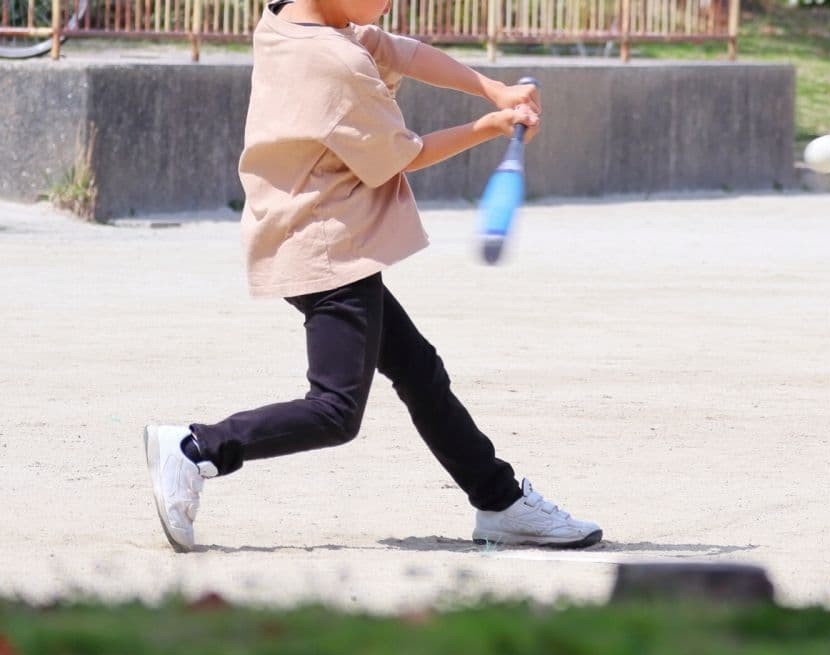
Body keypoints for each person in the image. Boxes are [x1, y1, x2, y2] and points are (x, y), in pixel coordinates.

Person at [142, 0, 602, 553]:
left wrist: (492, 88)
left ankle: (499, 501)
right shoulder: (335, 63)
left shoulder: (289, 19)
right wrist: (491, 124)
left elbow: (398, 50)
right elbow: (403, 155)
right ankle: (198, 448)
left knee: (419, 371)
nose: (387, 3)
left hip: (312, 228)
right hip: (325, 247)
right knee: (335, 410)